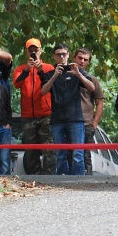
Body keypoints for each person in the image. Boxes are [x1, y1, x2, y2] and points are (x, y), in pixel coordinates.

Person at [40, 44, 95, 175]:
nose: (62, 57)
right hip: (57, 119)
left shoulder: (76, 71)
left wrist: (78, 74)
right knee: (60, 153)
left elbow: (92, 88)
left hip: (75, 118)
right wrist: (54, 76)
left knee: (78, 153)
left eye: (64, 54)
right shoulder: (49, 73)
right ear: (54, 56)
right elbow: (43, 91)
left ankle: (78, 181)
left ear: (68, 55)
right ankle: (62, 180)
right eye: (58, 54)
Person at [13, 38, 56, 175]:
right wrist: (27, 69)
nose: (33, 53)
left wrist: (39, 69)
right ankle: (34, 177)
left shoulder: (49, 68)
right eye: (30, 50)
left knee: (48, 148)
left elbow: (52, 85)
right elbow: (17, 84)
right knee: (30, 149)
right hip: (27, 115)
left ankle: (49, 176)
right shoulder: (20, 69)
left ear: (41, 51)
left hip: (45, 114)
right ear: (26, 52)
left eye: (35, 50)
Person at [74, 48, 104, 175]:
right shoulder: (64, 76)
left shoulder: (92, 80)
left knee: (86, 154)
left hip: (86, 123)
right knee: (69, 153)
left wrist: (95, 123)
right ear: (74, 58)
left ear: (88, 62)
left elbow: (100, 102)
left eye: (85, 59)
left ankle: (87, 181)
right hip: (68, 121)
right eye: (80, 58)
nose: (82, 61)